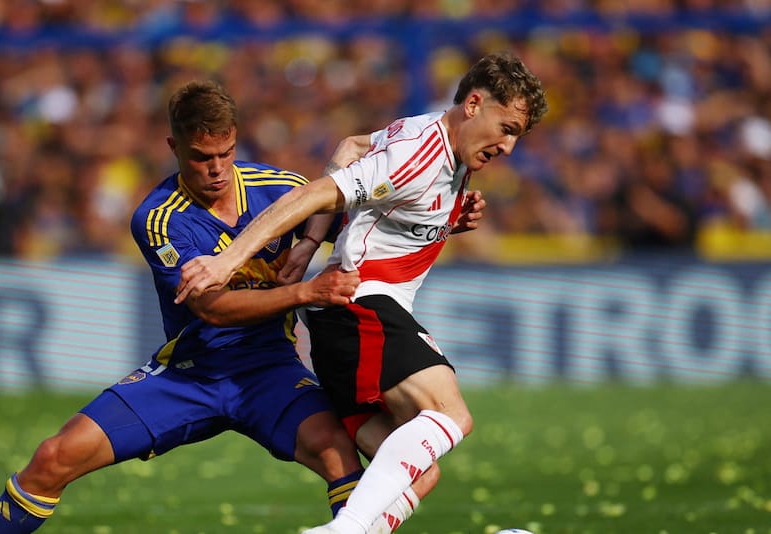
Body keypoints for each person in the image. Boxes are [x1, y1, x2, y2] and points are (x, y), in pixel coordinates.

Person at [0, 80, 436, 534]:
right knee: (53, 457)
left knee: (338, 455)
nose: (216, 168)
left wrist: (448, 220)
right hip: (189, 374)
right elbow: (213, 309)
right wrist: (305, 293)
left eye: (226, 153)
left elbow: (369, 228)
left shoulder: (281, 190)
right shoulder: (158, 218)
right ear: (174, 147)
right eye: (201, 157)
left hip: (270, 371)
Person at [176, 51, 548, 534]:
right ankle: (344, 530)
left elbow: (350, 145)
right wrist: (228, 261)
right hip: (360, 305)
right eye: (507, 128)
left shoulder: (437, 141)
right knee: (449, 413)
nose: (509, 147)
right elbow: (311, 193)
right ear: (474, 104)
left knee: (418, 471)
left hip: (345, 326)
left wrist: (315, 241)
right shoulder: (418, 154)